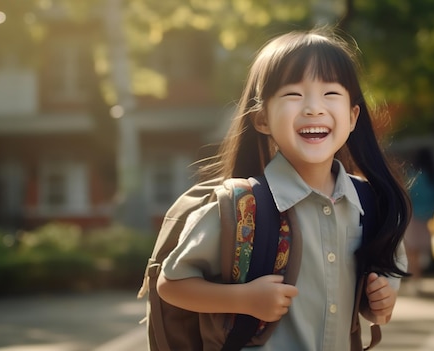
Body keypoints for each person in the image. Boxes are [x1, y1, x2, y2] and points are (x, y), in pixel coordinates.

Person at [156, 28, 411, 350]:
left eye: (331, 93)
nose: (313, 108)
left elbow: (383, 285)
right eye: (293, 94)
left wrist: (381, 303)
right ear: (262, 119)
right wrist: (244, 299)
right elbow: (171, 284)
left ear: (352, 116)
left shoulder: (369, 205)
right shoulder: (241, 209)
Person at [404, 148, 434, 293]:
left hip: (414, 217)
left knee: (413, 252)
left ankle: (416, 282)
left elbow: (407, 196)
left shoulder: (412, 176)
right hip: (431, 217)